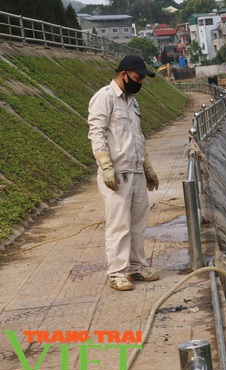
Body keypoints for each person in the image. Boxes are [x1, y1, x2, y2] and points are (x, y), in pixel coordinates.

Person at [88, 55, 160, 291]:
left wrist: (147, 168)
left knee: (138, 224)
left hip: (136, 172)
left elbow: (138, 138)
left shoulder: (132, 102)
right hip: (116, 176)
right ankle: (117, 273)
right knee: (119, 226)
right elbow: (96, 134)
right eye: (137, 78)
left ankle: (137, 267)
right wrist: (106, 166)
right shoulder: (104, 98)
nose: (140, 83)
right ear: (124, 75)